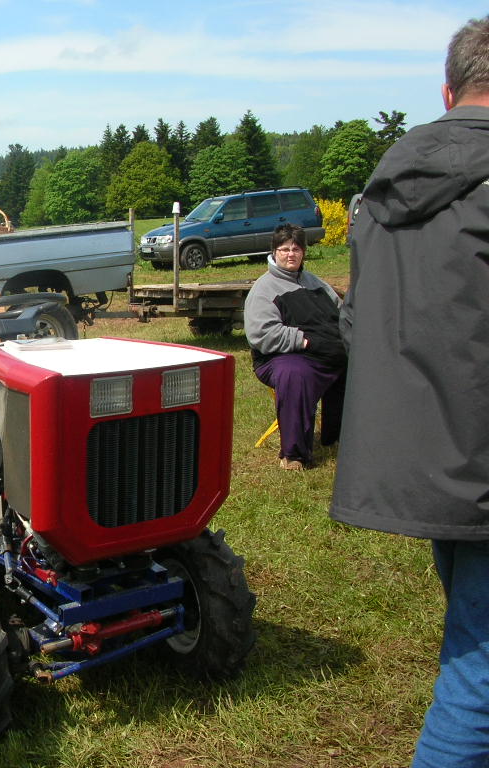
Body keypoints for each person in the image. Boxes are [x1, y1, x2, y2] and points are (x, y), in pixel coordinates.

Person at [330, 16, 489, 767]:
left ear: (447, 90)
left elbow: (359, 321)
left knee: (472, 640)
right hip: (479, 461)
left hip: (426, 461)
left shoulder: (380, 193)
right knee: (478, 677)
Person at [244, 223, 347, 470]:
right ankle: (294, 455)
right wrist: (305, 341)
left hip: (325, 351)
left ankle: (337, 436)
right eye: (285, 249)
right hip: (281, 356)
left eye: (296, 249)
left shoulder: (316, 284)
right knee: (296, 375)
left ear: (304, 252)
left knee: (355, 364)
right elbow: (262, 334)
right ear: (274, 252)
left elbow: (342, 314)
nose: (291, 254)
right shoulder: (264, 289)